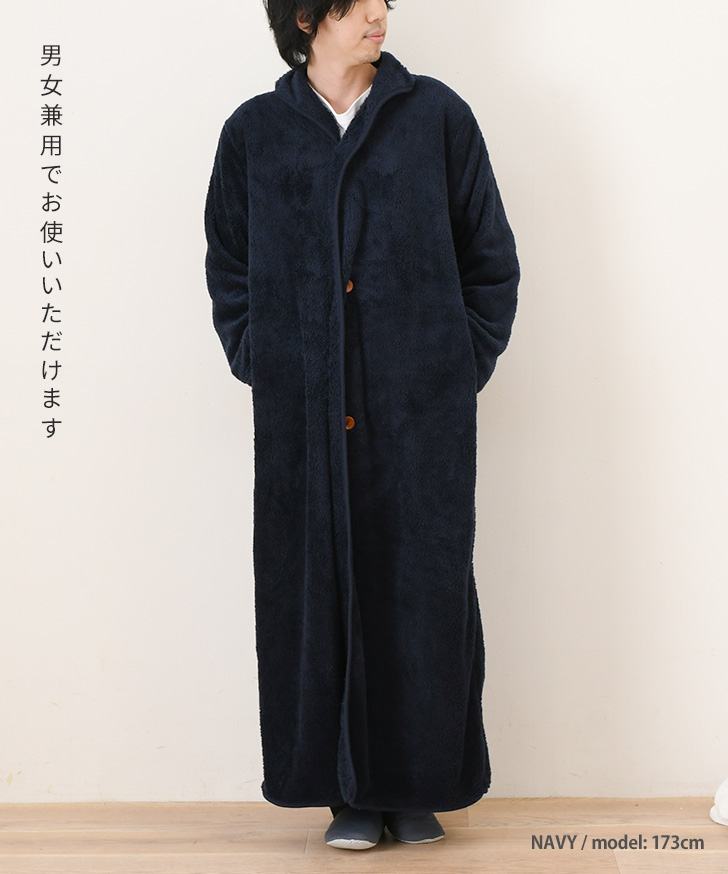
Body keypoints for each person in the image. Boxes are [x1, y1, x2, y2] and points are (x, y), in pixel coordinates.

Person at [204, 0, 520, 852]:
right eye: (358, 0)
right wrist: (266, 358)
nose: (381, 12)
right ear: (307, 17)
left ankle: (418, 788)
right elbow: (229, 266)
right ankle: (344, 792)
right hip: (304, 420)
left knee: (423, 598)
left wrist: (454, 366)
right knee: (316, 597)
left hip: (420, 420)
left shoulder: (438, 118)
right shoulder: (255, 135)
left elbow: (491, 262)